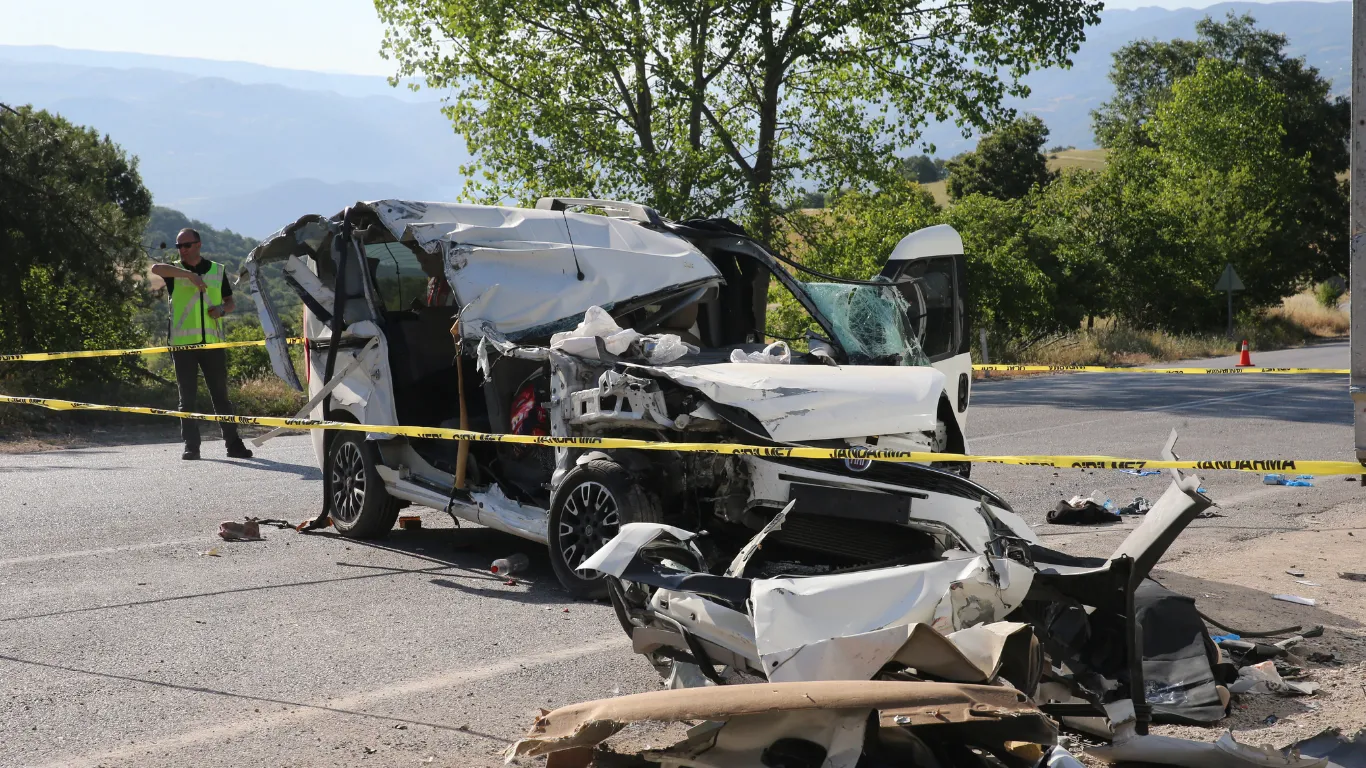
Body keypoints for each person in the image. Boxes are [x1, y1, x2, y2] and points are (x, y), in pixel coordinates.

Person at [150, 228, 254, 460]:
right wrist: (188, 276)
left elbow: (230, 302)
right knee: (186, 398)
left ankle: (233, 445)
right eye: (179, 246)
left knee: (221, 397)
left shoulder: (217, 270)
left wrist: (222, 310)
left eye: (186, 245)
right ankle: (192, 446)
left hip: (213, 344)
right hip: (183, 345)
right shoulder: (174, 271)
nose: (182, 250)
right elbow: (155, 268)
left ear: (198, 244)